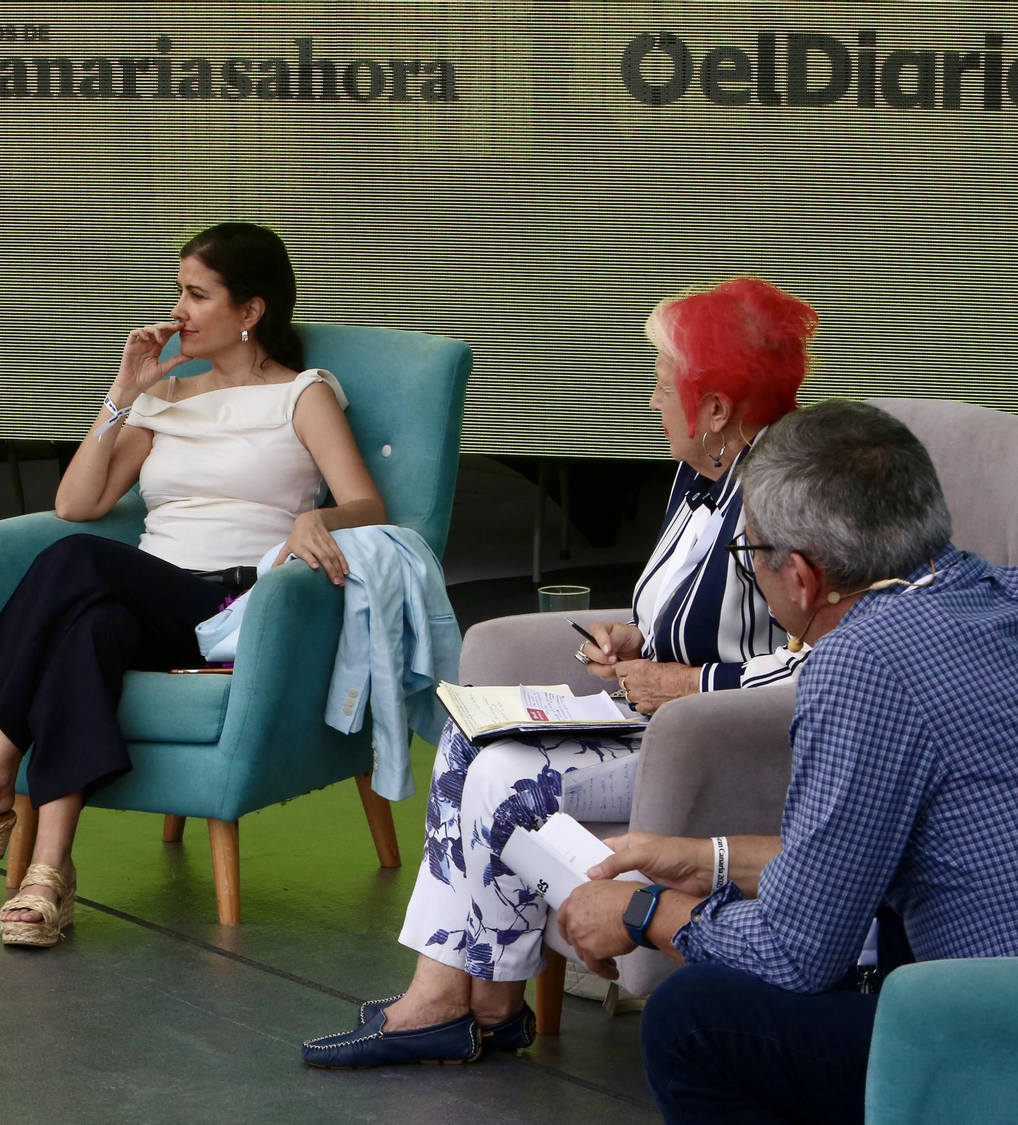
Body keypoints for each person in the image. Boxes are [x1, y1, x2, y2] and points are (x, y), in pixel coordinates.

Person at [551, 399, 1018, 1123]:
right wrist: (702, 859)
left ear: (802, 577)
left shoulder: (865, 660)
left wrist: (644, 911)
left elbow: (798, 950)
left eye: (749, 554)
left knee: (694, 1018)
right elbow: (860, 862)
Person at [302, 276, 819, 1067]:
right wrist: (637, 634)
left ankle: (464, 1000)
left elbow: (826, 658)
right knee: (469, 738)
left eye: (661, 381)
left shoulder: (782, 500)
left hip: (712, 740)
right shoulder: (705, 472)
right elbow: (696, 608)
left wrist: (688, 683)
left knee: (502, 779)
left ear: (716, 407)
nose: (652, 400)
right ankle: (472, 999)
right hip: (655, 717)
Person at [0, 222, 387, 946]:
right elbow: (76, 502)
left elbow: (369, 505)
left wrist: (322, 522)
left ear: (250, 311)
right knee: (87, 627)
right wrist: (123, 392)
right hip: (156, 597)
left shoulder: (301, 395)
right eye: (177, 290)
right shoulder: (167, 396)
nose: (177, 308)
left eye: (196, 293)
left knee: (78, 561)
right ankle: (49, 874)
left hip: (237, 603)